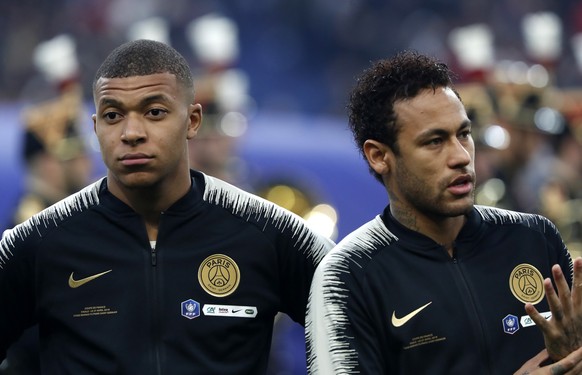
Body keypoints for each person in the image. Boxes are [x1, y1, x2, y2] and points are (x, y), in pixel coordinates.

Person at [0, 39, 334, 375]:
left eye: (154, 112)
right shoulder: (36, 242)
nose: (131, 132)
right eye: (113, 115)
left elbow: (362, 332)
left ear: (192, 121)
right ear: (96, 126)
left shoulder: (271, 234)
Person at [305, 50, 582, 374]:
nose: (461, 156)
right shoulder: (348, 275)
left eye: (463, 134)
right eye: (435, 142)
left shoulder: (535, 238)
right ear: (379, 156)